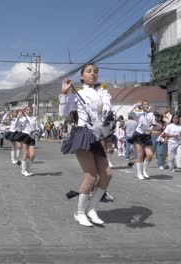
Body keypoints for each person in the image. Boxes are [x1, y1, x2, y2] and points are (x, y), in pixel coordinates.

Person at [59, 63, 112, 227]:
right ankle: (79, 212)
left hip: (96, 135)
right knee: (91, 177)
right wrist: (64, 93)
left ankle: (91, 209)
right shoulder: (78, 93)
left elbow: (107, 112)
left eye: (96, 72)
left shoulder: (103, 92)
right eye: (89, 71)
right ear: (81, 76)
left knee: (107, 174)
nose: (93, 74)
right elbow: (63, 113)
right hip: (83, 134)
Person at [127, 100, 155, 180]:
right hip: (139, 134)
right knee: (140, 154)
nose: (146, 105)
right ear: (142, 106)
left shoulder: (151, 114)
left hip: (147, 135)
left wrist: (150, 128)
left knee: (150, 154)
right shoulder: (138, 114)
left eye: (147, 104)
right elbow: (128, 112)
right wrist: (136, 105)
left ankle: (144, 170)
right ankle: (139, 173)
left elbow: (153, 123)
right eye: (144, 104)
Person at [15, 106, 39, 176]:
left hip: (32, 136)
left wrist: (38, 132)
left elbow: (36, 127)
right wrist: (18, 117)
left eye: (30, 109)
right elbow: (16, 126)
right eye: (27, 109)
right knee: (25, 153)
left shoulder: (34, 118)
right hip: (25, 135)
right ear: (25, 111)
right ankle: (23, 170)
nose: (29, 110)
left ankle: (27, 168)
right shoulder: (22, 119)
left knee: (32, 155)